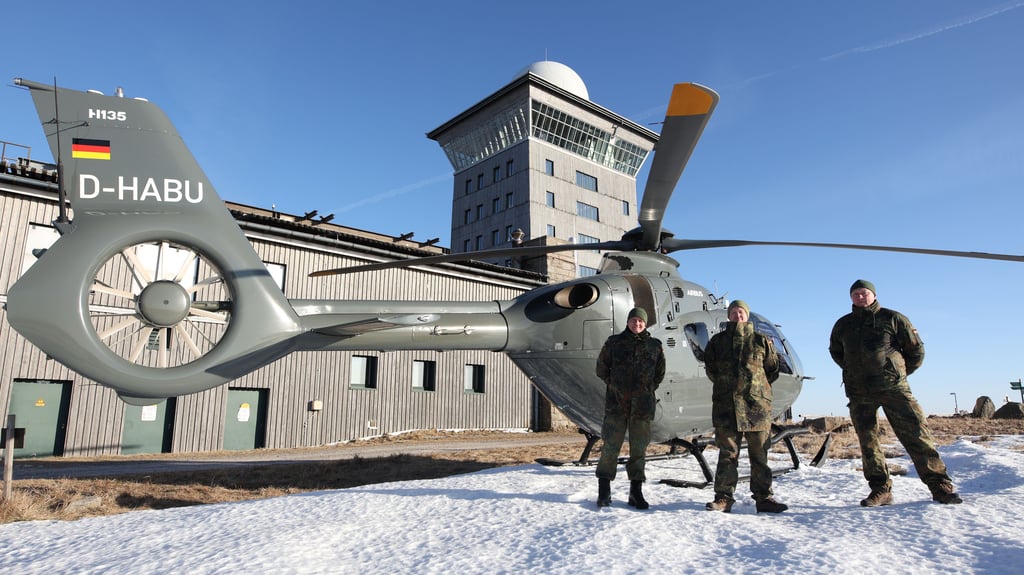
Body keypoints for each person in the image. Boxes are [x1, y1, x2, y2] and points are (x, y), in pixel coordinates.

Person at [829, 279, 962, 506]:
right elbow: (837, 353)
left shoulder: (892, 318)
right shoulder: (843, 325)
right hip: (859, 391)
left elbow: (916, 351)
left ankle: (940, 485)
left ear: (873, 295)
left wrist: (897, 373)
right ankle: (880, 489)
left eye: (864, 293)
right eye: (856, 294)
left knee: (916, 435)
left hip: (893, 389)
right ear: (851, 298)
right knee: (868, 442)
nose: (860, 297)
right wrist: (855, 373)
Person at [702, 300, 788, 514]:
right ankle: (723, 498)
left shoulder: (761, 341)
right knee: (727, 453)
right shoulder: (717, 342)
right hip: (726, 406)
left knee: (759, 454)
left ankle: (764, 498)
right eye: (733, 312)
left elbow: (772, 370)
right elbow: (711, 370)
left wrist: (754, 389)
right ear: (728, 316)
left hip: (756, 407)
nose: (737, 315)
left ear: (746, 315)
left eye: (741, 312)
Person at [594, 306, 666, 509]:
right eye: (634, 321)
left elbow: (659, 373)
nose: (637, 324)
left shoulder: (655, 345)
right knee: (610, 447)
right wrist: (615, 385)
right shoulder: (614, 343)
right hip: (616, 406)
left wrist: (647, 388)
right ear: (628, 322)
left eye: (641, 321)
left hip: (642, 406)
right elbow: (601, 368)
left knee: (639, 450)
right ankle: (604, 491)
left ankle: (636, 492)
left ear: (645, 324)